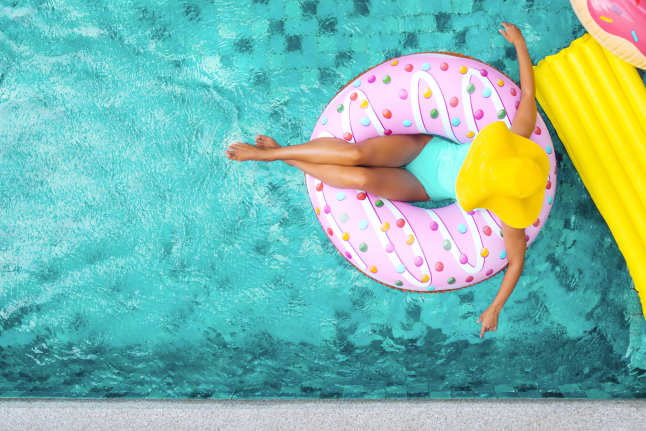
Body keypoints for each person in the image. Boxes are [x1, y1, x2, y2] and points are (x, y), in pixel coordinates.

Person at [226, 23, 549, 338]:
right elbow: (529, 93)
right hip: (422, 151)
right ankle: (271, 155)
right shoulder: (517, 136)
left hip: (423, 188)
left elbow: (516, 262)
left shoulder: (512, 210)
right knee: (354, 155)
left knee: (362, 179)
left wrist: (495, 308)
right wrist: (520, 43)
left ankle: (282, 155)